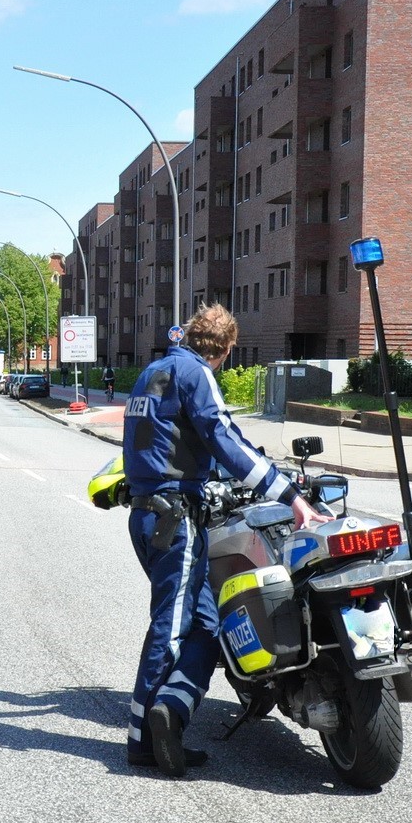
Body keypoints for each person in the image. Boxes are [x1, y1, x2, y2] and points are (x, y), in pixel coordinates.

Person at [121, 305, 330, 776]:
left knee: (206, 626)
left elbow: (161, 439)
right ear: (228, 349)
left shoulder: (153, 371)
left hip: (150, 512)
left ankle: (169, 715)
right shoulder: (195, 374)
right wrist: (289, 495)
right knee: (172, 627)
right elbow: (225, 440)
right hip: (174, 518)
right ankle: (140, 740)